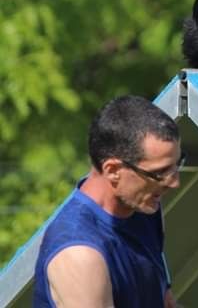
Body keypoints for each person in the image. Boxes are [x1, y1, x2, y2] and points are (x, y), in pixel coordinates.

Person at [33, 95, 184, 307]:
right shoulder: (80, 254)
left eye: (177, 164)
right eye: (160, 172)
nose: (174, 182)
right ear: (112, 170)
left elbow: (165, 301)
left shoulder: (144, 208)